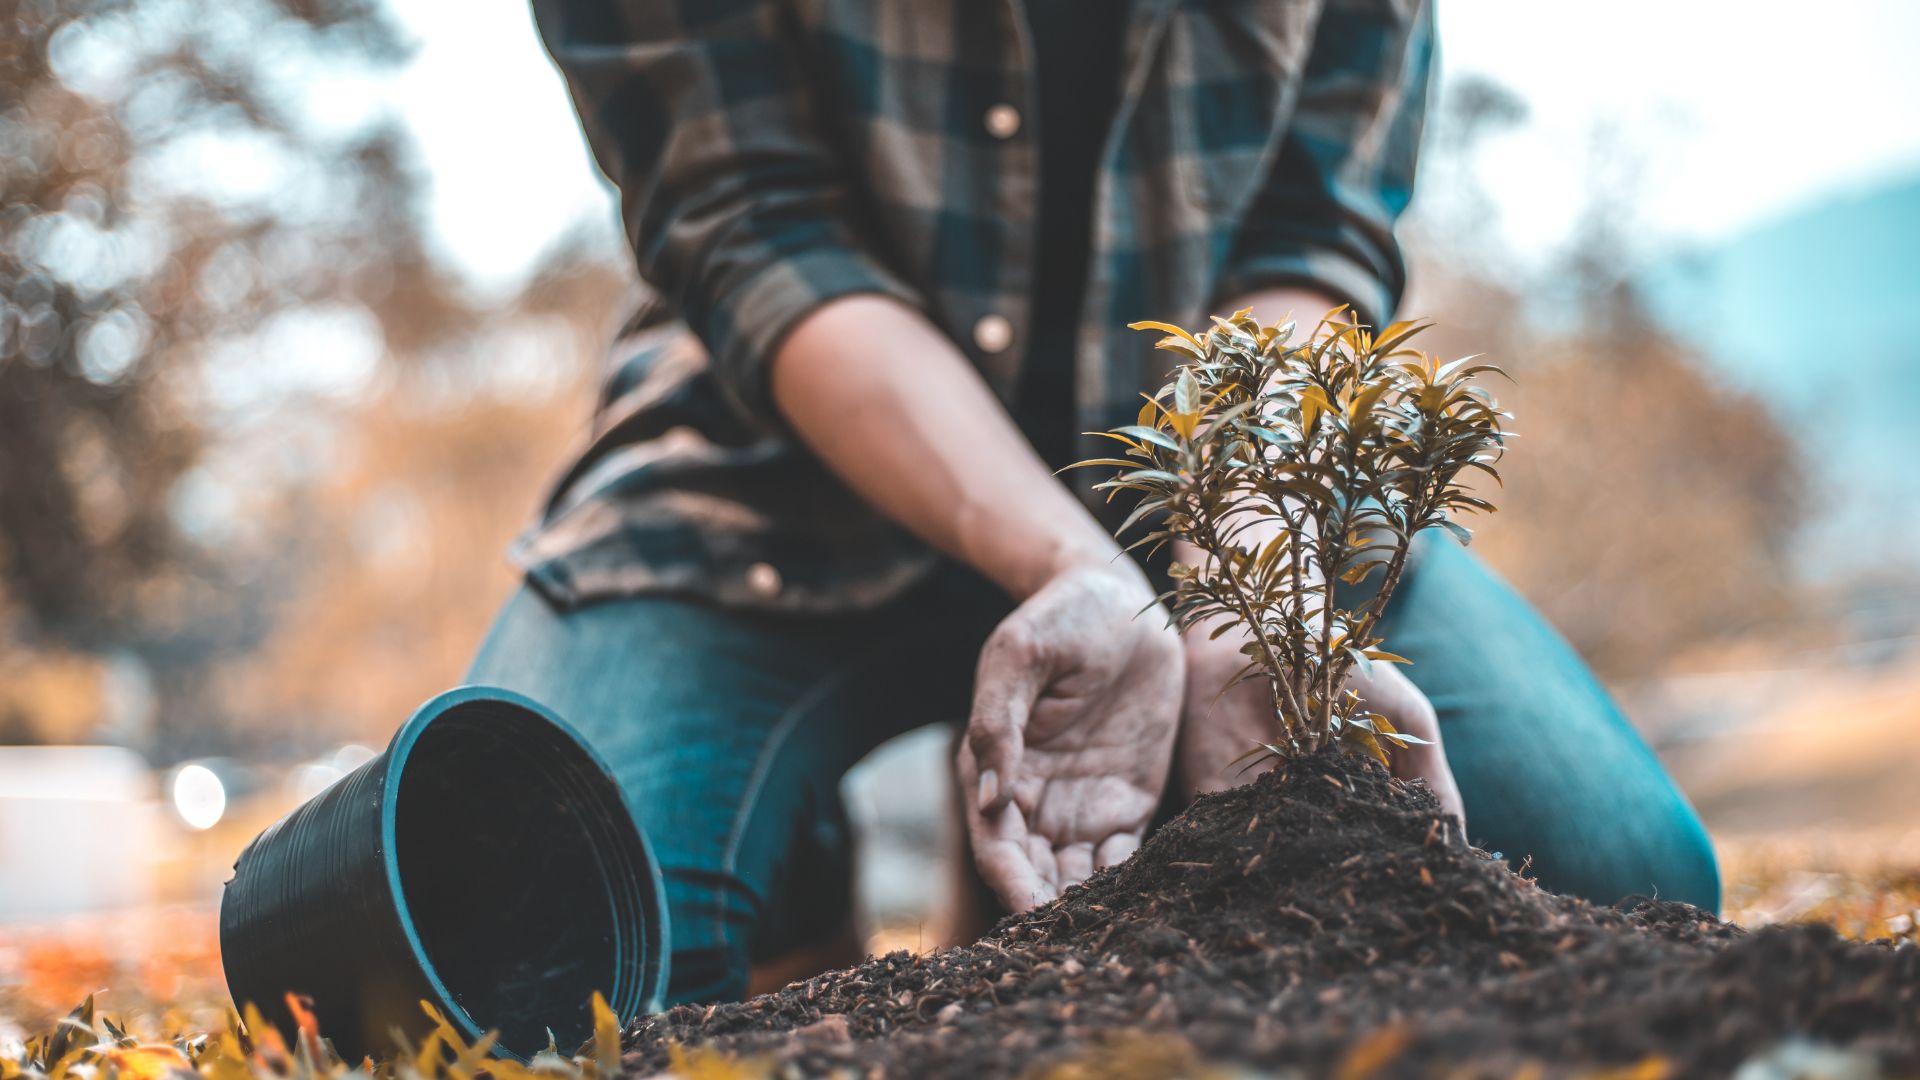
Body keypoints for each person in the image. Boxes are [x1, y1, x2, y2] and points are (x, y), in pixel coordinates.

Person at [471, 0, 1720, 1006]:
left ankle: (996, 874)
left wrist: (1254, 589)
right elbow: (754, 229)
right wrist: (1072, 562)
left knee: (1613, 875)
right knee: (532, 943)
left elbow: (1312, 241)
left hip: (1223, 484)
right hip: (771, 474)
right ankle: (798, 877)